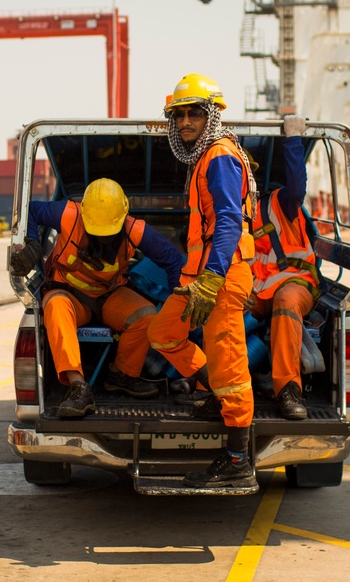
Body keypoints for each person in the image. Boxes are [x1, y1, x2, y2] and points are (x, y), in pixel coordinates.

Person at [146, 73, 259, 491]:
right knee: (161, 333)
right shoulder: (207, 157)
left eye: (195, 113)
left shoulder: (220, 157)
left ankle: (236, 460)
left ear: (211, 116)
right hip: (200, 279)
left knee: (231, 368)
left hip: (221, 279)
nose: (187, 122)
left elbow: (229, 220)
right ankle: (214, 391)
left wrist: (211, 278)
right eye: (181, 115)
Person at [9, 178, 185, 418]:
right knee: (55, 305)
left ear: (123, 217)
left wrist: (179, 303)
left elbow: (174, 261)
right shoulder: (67, 214)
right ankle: (77, 386)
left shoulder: (135, 230)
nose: (103, 238)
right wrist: (30, 243)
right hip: (70, 294)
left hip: (110, 295)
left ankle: (122, 375)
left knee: (147, 316)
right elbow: (28, 210)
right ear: (84, 213)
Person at [247, 114, 320, 421]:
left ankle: (288, 390)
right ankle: (216, 385)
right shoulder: (226, 213)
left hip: (294, 282)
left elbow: (297, 185)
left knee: (286, 301)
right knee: (221, 306)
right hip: (255, 291)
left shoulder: (280, 203)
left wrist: (292, 140)